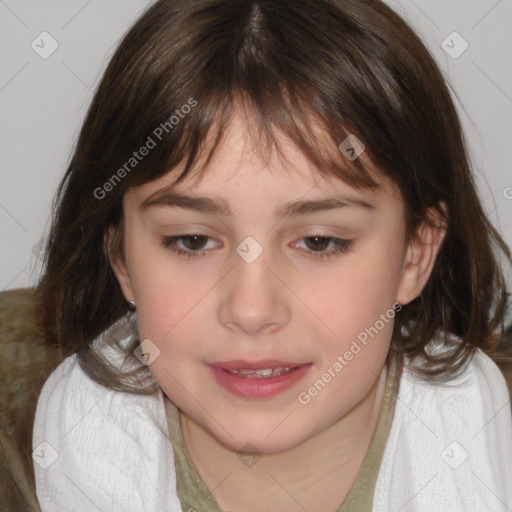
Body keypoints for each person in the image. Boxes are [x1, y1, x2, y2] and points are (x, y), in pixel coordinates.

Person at [31, 0, 512, 510]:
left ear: (414, 254)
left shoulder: (476, 436)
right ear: (121, 258)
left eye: (320, 241)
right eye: (192, 241)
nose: (251, 310)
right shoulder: (85, 433)